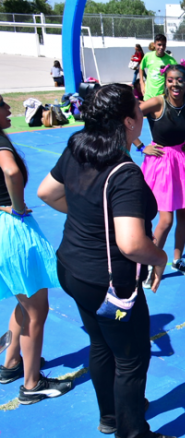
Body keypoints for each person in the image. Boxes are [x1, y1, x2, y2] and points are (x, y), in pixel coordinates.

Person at [37, 84, 179, 438]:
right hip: (109, 282)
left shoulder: (77, 146)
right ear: (128, 122)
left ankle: (110, 416)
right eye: (139, 111)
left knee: (100, 344)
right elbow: (132, 244)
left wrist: (86, 220)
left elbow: (47, 193)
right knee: (131, 357)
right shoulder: (124, 172)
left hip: (72, 268)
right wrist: (160, 258)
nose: (144, 116)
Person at [0, 93, 70, 404]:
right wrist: (17, 206)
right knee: (36, 310)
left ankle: (11, 363)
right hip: (12, 229)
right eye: (3, 105)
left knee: (23, 299)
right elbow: (12, 172)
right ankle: (31, 384)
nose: (7, 109)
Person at [133, 63, 185, 282]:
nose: (175, 84)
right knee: (165, 220)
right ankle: (149, 265)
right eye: (170, 80)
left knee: (184, 214)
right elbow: (125, 119)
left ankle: (177, 259)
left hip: (182, 162)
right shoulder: (156, 103)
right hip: (160, 163)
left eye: (179, 80)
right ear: (166, 82)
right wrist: (141, 146)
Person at [139, 34, 177, 101]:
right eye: (159, 44)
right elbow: (141, 67)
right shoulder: (148, 56)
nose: (161, 47)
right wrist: (142, 83)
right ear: (154, 44)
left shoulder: (171, 60)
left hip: (162, 97)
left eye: (164, 45)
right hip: (148, 96)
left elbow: (177, 74)